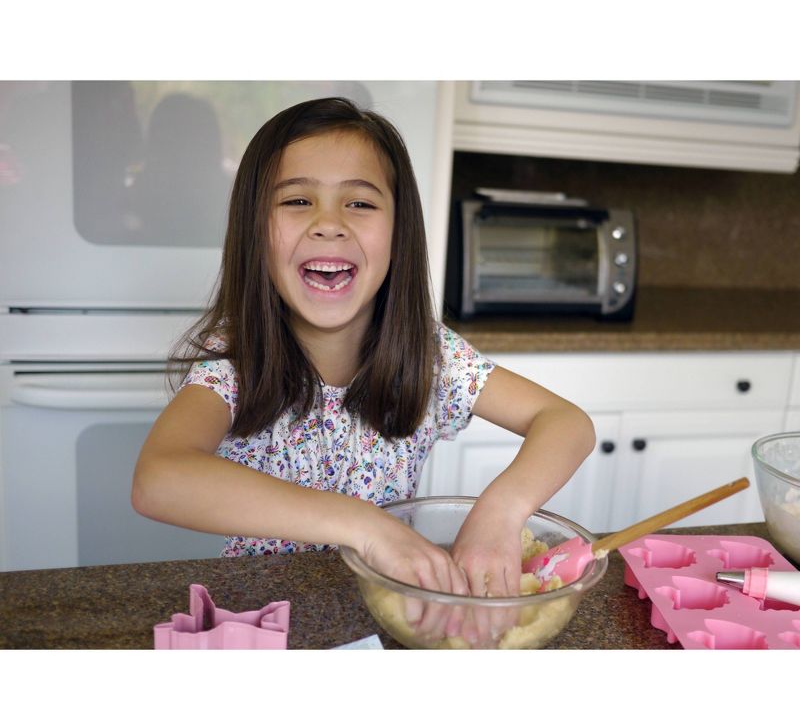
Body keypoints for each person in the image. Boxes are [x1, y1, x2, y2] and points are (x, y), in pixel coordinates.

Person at [131, 96, 596, 645]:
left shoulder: (430, 356)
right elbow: (158, 480)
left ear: (400, 233)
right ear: (255, 230)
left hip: (387, 619)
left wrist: (502, 510)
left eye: (360, 204)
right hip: (265, 627)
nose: (329, 224)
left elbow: (565, 421)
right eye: (298, 200)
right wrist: (364, 524)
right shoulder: (235, 359)